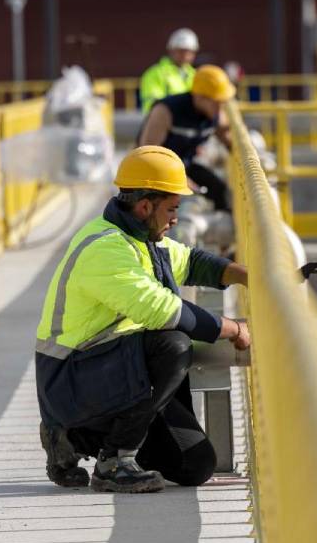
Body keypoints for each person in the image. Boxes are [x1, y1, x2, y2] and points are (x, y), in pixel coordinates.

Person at [34, 146, 251, 494]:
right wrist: (233, 329)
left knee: (195, 465)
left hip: (110, 373)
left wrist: (255, 276)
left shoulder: (142, 239)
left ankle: (74, 439)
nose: (176, 218)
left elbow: (193, 263)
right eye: (172, 208)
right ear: (145, 206)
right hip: (71, 379)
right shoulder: (105, 248)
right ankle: (113, 462)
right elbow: (163, 310)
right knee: (172, 343)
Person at [136, 64, 235, 212]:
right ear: (199, 97)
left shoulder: (215, 113)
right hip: (153, 173)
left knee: (219, 190)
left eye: (222, 102)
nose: (220, 108)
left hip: (183, 165)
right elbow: (148, 155)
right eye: (216, 102)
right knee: (166, 208)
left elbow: (228, 138)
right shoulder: (166, 111)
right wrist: (180, 181)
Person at [139, 28, 199, 114]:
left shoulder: (196, 75)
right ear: (171, 50)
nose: (185, 55)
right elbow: (152, 105)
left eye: (189, 52)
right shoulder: (155, 74)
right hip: (162, 124)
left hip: (189, 125)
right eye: (181, 51)